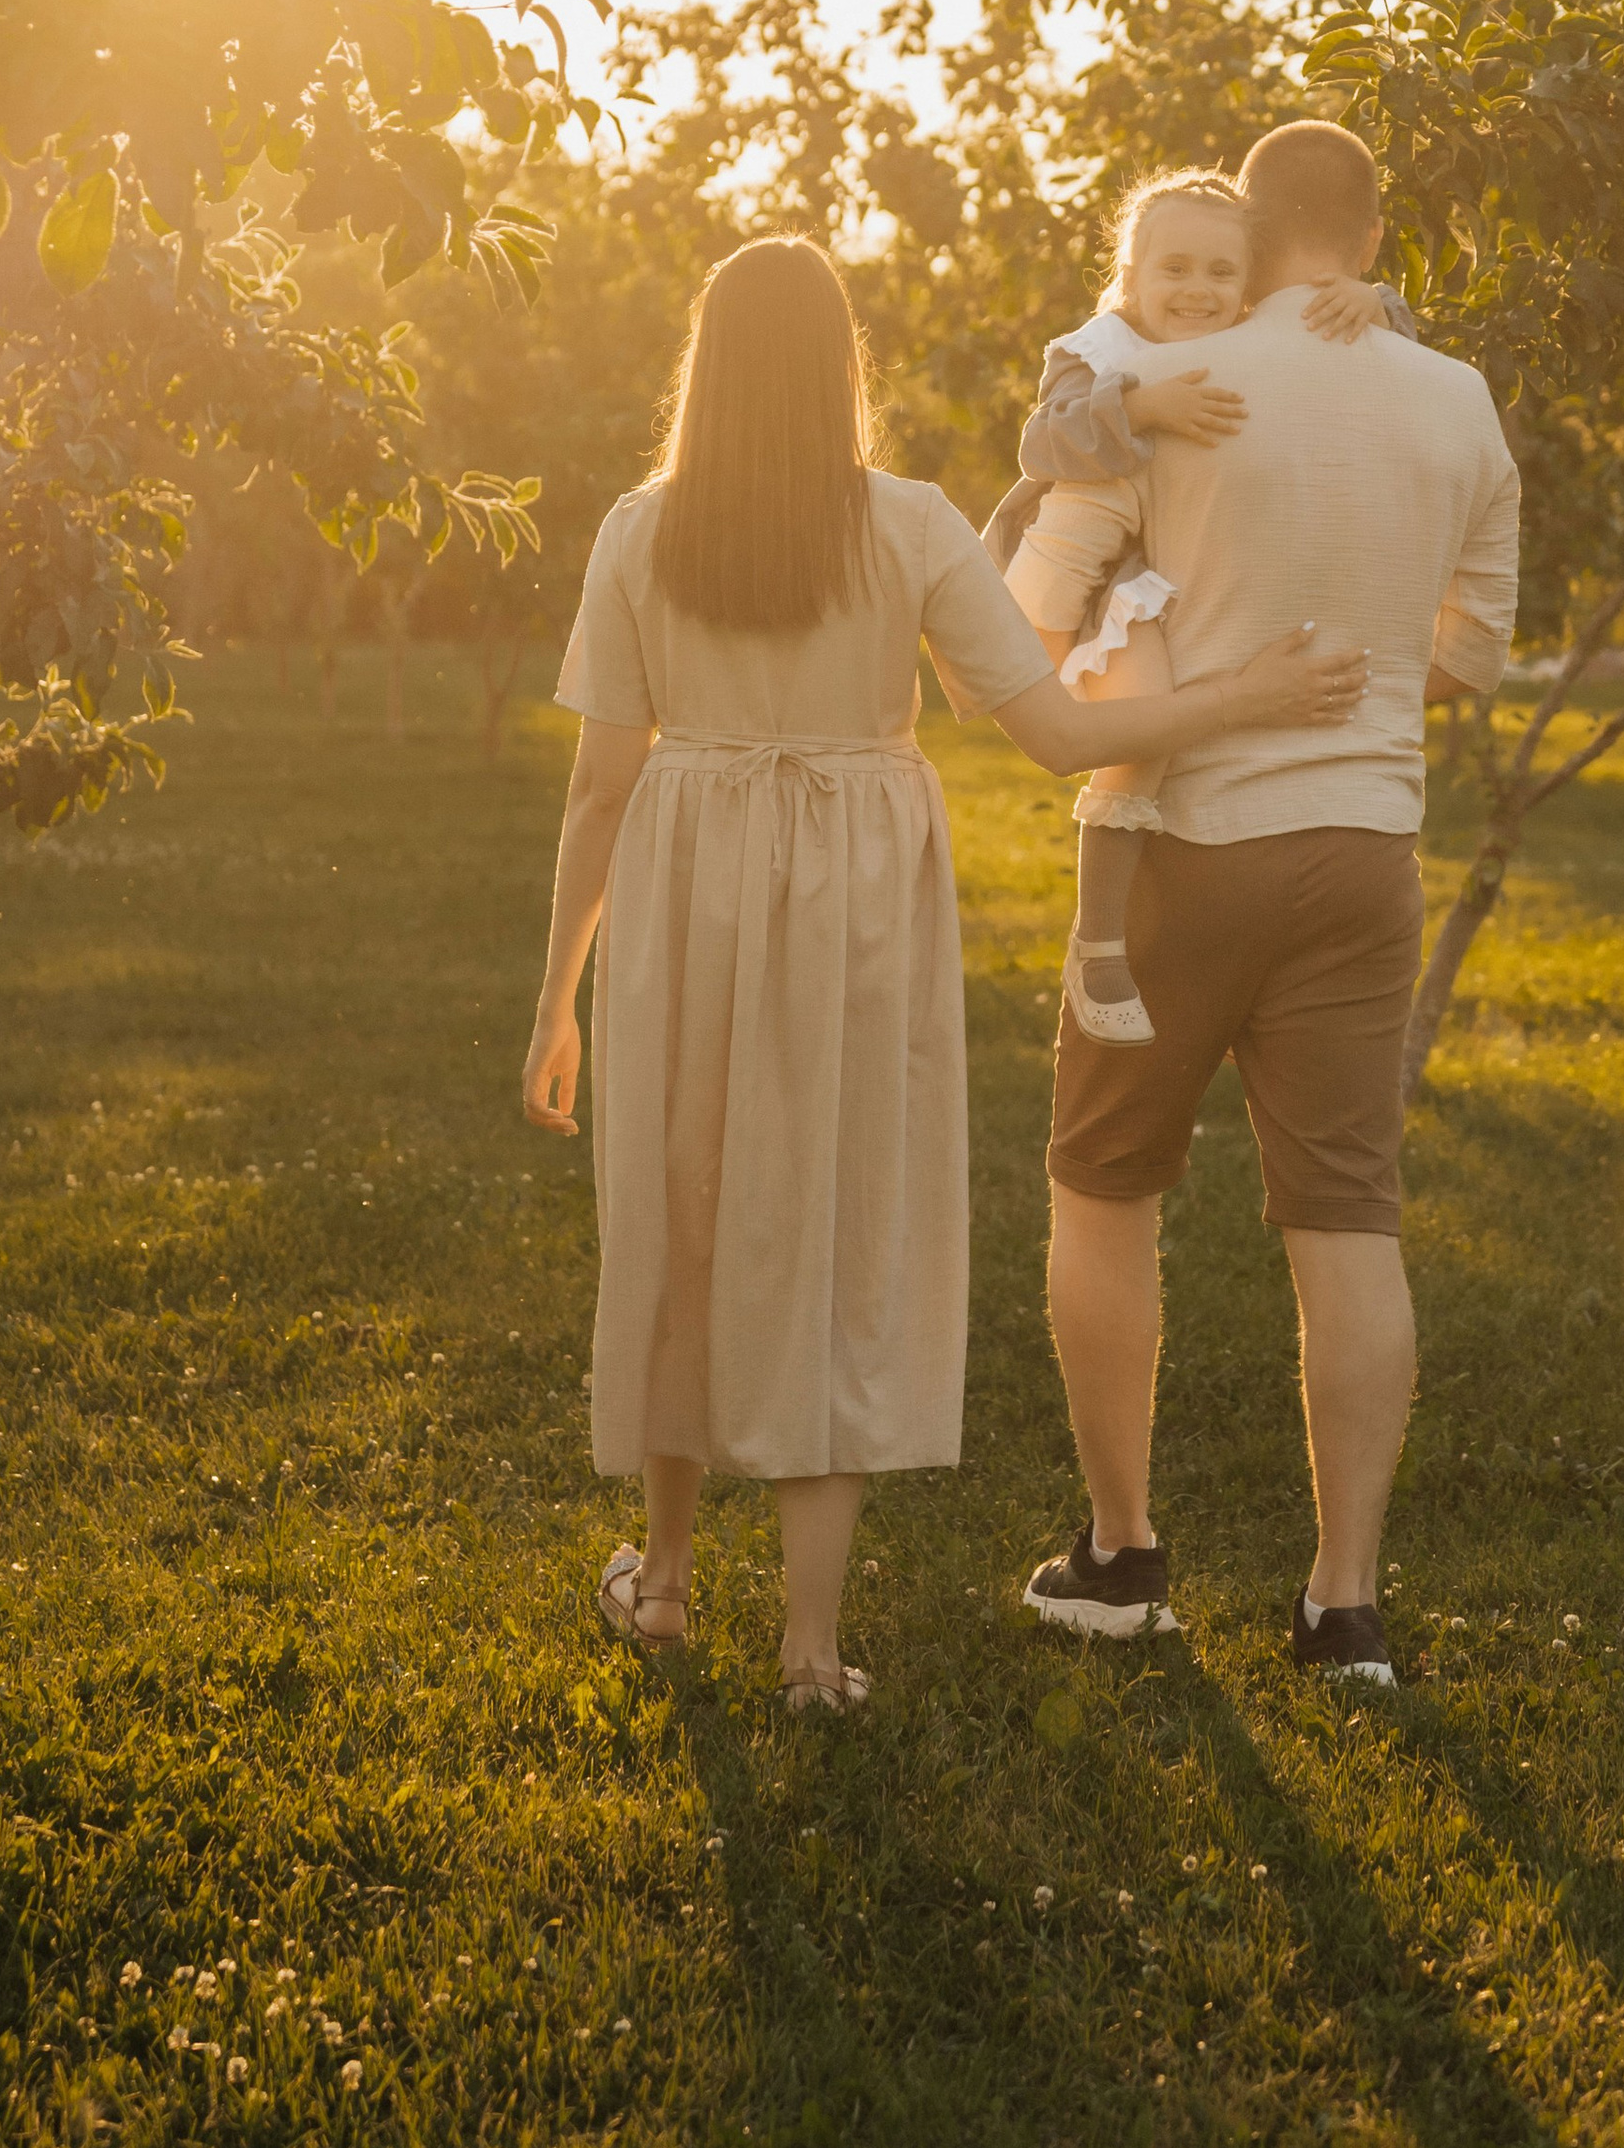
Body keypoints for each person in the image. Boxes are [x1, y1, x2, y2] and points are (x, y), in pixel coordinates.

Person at [519, 235, 1368, 1712]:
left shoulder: (640, 528)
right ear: (842, 367)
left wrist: (556, 1000)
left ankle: (663, 1586)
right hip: (853, 892)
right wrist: (1248, 692)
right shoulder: (908, 524)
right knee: (834, 1228)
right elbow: (1049, 730)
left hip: (687, 891)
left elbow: (600, 785)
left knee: (686, 1210)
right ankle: (809, 1648)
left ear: (703, 373)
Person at [1005, 122, 1519, 1685]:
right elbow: (1473, 656)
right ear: (1367, 238)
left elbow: (1026, 623)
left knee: (1105, 1184)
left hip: (1182, 848)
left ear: (1252, 226)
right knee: (1350, 1217)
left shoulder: (1176, 388)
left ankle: (1121, 1551)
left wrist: (1179, 666)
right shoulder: (1458, 398)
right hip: (1369, 853)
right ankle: (1343, 1604)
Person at [982, 173, 1411, 1047]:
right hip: (1108, 581)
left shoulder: (1250, 337)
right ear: (1130, 273)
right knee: (1147, 734)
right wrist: (1142, 404)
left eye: (1221, 272)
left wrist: (1376, 301)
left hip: (1190, 568)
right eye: (1173, 268)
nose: (1198, 290)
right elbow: (1041, 439)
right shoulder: (1099, 347)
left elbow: (1396, 354)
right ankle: (1097, 937)